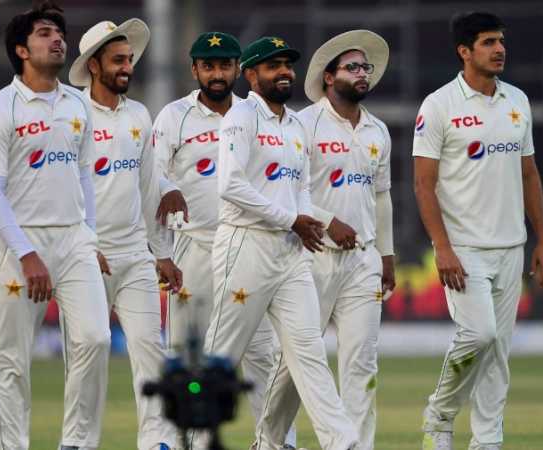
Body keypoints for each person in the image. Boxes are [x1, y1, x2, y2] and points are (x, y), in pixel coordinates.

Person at [202, 36, 359, 450]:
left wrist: (307, 222)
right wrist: (293, 219)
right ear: (251, 75)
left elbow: (301, 189)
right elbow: (231, 186)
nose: (284, 72)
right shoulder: (241, 116)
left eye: (287, 64)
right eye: (273, 66)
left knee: (307, 354)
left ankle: (338, 443)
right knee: (222, 357)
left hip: (289, 254)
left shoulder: (295, 125)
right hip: (245, 247)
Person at [0, 3, 111, 450]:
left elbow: (85, 175)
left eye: (60, 33)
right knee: (12, 360)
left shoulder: (77, 104)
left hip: (73, 239)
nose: (58, 40)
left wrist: (89, 236)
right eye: (46, 33)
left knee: (96, 338)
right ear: (21, 50)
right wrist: (27, 253)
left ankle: (77, 443)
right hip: (20, 243)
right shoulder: (0, 109)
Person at [413, 12, 543, 450]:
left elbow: (529, 174)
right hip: (463, 247)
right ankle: (440, 411)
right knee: (479, 336)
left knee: (498, 355)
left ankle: (487, 441)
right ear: (465, 51)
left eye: (501, 41)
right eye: (489, 42)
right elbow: (423, 183)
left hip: (511, 245)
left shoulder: (518, 101)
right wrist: (442, 248)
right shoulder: (439, 106)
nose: (500, 49)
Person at [152, 31, 297, 449]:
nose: (218, 74)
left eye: (225, 65)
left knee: (263, 355)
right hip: (194, 249)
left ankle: (275, 441)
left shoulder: (257, 114)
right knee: (187, 357)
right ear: (194, 69)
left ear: (239, 69)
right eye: (209, 66)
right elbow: (153, 175)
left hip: (249, 248)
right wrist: (166, 197)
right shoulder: (174, 116)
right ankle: (182, 441)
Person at [256, 30, 395, 450]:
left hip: (363, 261)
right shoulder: (302, 124)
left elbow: (382, 195)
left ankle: (356, 446)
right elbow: (281, 190)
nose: (362, 73)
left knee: (361, 364)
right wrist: (327, 220)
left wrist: (387, 255)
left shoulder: (377, 130)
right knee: (297, 362)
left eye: (365, 67)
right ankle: (268, 441)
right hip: (310, 257)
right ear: (329, 77)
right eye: (352, 67)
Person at [67, 18, 182, 450]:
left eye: (129, 60)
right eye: (117, 60)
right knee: (88, 352)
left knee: (150, 350)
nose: (127, 67)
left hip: (135, 253)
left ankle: (159, 442)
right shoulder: (71, 113)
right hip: (85, 255)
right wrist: (82, 243)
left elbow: (149, 185)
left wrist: (162, 251)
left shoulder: (139, 114)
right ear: (93, 66)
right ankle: (77, 441)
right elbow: (60, 189)